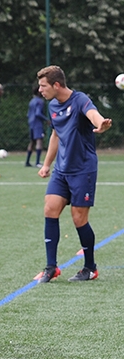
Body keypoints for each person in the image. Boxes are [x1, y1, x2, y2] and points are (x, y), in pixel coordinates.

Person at [35, 65, 111, 283]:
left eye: (43, 86)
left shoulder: (79, 100)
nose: (40, 90)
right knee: (50, 208)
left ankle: (90, 268)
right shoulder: (52, 106)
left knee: (79, 218)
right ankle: (51, 267)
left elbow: (94, 115)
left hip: (83, 169)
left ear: (56, 85)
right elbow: (56, 135)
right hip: (61, 170)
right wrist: (47, 164)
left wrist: (101, 125)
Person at [26, 86, 48, 167]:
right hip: (37, 123)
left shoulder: (32, 101)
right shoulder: (40, 101)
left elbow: (28, 114)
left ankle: (27, 162)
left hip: (31, 123)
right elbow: (38, 113)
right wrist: (47, 120)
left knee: (32, 142)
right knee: (39, 141)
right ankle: (37, 162)